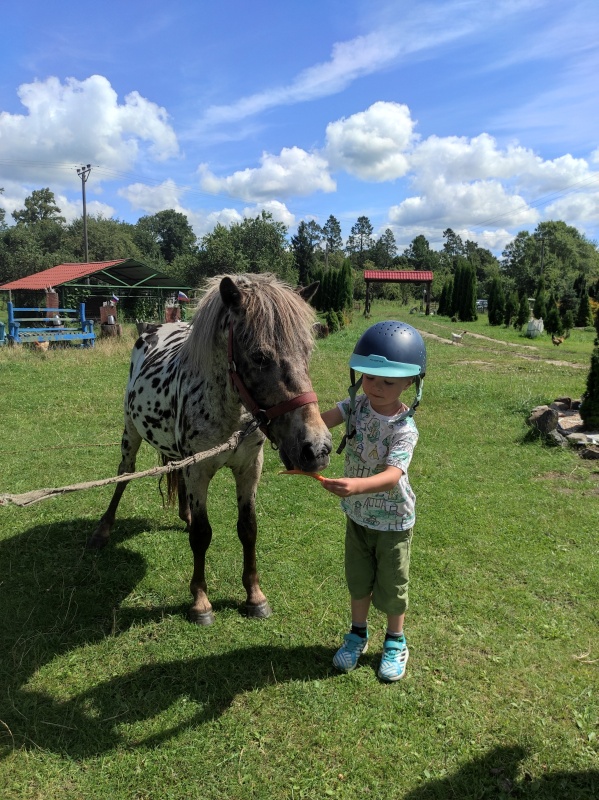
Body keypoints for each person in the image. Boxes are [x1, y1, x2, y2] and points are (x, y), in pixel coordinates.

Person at [320, 320, 426, 682]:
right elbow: (322, 423)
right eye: (369, 377)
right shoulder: (356, 406)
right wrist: (295, 430)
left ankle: (395, 641)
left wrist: (356, 485)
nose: (376, 387)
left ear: (410, 383)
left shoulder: (404, 428)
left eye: (388, 382)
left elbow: (394, 474)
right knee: (358, 580)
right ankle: (357, 634)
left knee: (393, 586)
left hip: (393, 522)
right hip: (358, 517)